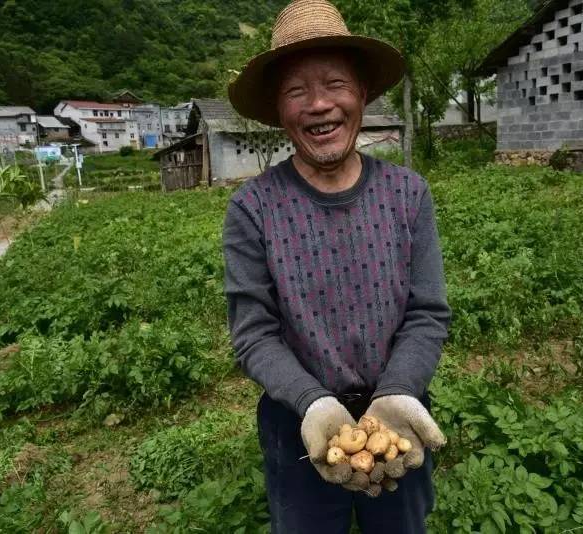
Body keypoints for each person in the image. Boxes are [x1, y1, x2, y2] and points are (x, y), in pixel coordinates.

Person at [222, 1, 451, 532]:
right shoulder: (252, 208)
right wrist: (312, 402)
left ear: (362, 95)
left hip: (397, 417)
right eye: (296, 91)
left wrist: (397, 391)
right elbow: (254, 333)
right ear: (279, 110)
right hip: (299, 426)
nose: (319, 105)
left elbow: (426, 312)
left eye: (335, 84)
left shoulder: (408, 194)